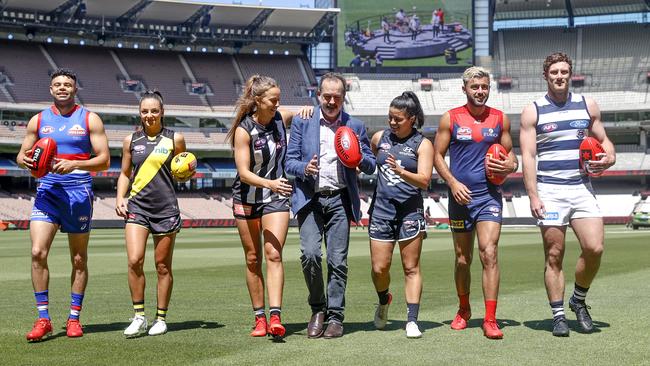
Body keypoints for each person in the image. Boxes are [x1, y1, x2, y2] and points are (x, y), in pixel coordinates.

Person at [519, 52, 616, 337]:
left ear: (570, 74)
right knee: (554, 255)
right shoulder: (532, 110)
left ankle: (579, 300)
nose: (559, 76)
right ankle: (559, 314)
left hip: (581, 187)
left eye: (564, 72)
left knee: (595, 248)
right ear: (546, 76)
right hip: (550, 190)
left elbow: (605, 142)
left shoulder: (588, 105)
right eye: (554, 73)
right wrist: (533, 196)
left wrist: (609, 157)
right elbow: (528, 156)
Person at [16, 68, 110, 341]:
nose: (62, 88)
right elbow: (22, 156)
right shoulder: (38, 120)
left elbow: (104, 160)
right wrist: (31, 161)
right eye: (57, 84)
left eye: (67, 84)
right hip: (47, 191)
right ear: (50, 89)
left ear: (75, 89)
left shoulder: (90, 119)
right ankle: (43, 318)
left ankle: (73, 318)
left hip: (79, 191)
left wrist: (75, 163)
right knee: (37, 252)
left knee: (79, 258)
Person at [286, 72, 376, 338]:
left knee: (338, 261)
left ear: (343, 98)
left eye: (337, 97)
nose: (331, 101)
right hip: (310, 199)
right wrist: (305, 167)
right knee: (310, 255)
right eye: (327, 96)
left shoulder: (355, 125)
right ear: (318, 95)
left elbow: (370, 164)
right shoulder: (304, 122)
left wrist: (359, 158)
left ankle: (335, 317)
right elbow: (289, 162)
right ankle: (318, 309)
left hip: (339, 198)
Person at [432, 66, 518, 339]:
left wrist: (510, 165)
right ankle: (464, 309)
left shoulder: (500, 119)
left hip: (488, 196)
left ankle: (490, 319)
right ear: (465, 88)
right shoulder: (451, 118)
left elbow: (511, 155)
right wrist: (453, 183)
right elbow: (436, 155)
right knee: (462, 259)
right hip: (460, 198)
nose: (480, 91)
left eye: (484, 87)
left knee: (489, 253)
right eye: (475, 87)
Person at [227, 75, 296, 338]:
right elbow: (243, 173)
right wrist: (271, 183)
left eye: (279, 99)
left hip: (276, 198)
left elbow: (301, 114)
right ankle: (259, 318)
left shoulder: (280, 117)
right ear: (258, 100)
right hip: (247, 197)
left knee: (274, 254)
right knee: (253, 259)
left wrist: (308, 110)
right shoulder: (244, 130)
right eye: (273, 100)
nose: (278, 104)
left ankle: (276, 316)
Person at [116, 90, 189, 337]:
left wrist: (187, 173)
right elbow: (125, 173)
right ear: (140, 113)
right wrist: (120, 198)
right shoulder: (130, 141)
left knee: (162, 266)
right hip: (137, 206)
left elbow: (183, 169)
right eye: (145, 111)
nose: (149, 115)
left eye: (154, 111)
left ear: (162, 113)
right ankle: (139, 316)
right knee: (134, 260)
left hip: (166, 208)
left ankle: (161, 318)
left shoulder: (175, 139)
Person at [369, 92, 434, 338]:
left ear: (412, 119)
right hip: (381, 211)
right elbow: (369, 157)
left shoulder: (422, 144)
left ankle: (412, 320)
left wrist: (401, 170)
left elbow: (425, 181)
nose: (392, 123)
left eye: (398, 119)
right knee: (379, 268)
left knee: (411, 267)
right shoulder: (380, 138)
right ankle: (384, 300)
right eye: (390, 118)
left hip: (410, 211)